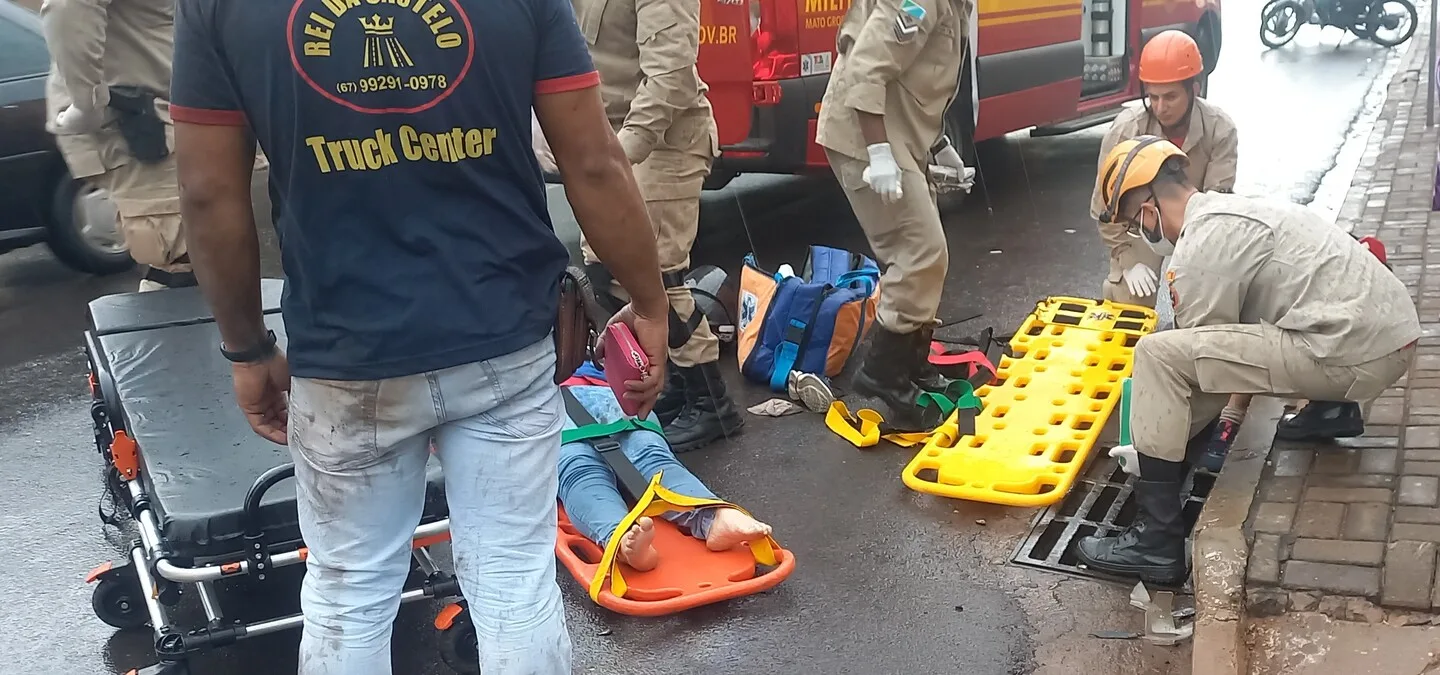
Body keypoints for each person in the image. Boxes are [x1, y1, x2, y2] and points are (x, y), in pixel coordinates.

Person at [169, 0, 674, 670]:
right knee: (513, 577)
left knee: (350, 592)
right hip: (503, 333)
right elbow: (594, 161)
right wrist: (649, 303)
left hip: (346, 351)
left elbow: (208, 192)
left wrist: (248, 349)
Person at [1076, 137, 1419, 584]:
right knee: (1261, 319)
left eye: (1132, 222)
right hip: (1390, 334)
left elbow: (1199, 371)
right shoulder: (1230, 213)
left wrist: (1152, 445)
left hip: (1355, 354)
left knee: (1158, 354)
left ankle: (1156, 541)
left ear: (1148, 208)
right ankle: (1330, 409)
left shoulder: (1200, 248)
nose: (1139, 234)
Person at [569, 0, 744, 453]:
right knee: (606, 267)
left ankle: (711, 403)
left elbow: (671, 75)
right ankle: (678, 388)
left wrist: (618, 159)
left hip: (665, 142)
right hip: (611, 139)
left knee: (659, 274)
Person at [1089, 29, 1248, 469]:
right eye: (1152, 97)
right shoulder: (1125, 130)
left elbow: (1218, 207)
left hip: (1195, 227)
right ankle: (1118, 391)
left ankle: (1191, 401)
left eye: (1170, 98)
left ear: (1194, 89)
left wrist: (1188, 271)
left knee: (1200, 308)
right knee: (1129, 297)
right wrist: (1125, 257)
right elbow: (1104, 208)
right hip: (1141, 227)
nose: (1160, 108)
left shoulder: (1219, 130)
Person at [815, 0, 975, 431]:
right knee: (920, 253)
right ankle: (883, 373)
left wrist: (939, 144)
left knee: (927, 255)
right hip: (865, 137)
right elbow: (866, 69)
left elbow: (919, 76)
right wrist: (880, 154)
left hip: (898, 134)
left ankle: (911, 364)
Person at [40, 0, 193, 291]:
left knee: (201, 261)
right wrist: (87, 102)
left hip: (178, 120)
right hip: (143, 128)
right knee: (179, 265)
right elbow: (68, 5)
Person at [559, 384, 771, 569]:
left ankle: (620, 538)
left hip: (549, 405)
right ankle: (714, 516)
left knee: (581, 472)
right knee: (652, 459)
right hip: (615, 395)